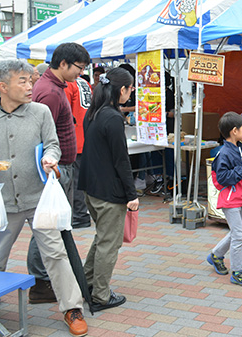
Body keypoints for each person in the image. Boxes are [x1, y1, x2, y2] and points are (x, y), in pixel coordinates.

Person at [0, 59, 88, 336]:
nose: (30, 85)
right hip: (3, 200)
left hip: (38, 197)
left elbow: (53, 144)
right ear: (3, 86)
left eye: (31, 80)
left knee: (55, 253)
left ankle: (71, 307)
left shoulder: (40, 112)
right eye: (23, 81)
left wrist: (50, 157)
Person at [28, 42, 91, 304]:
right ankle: (41, 281)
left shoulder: (54, 87)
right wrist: (52, 166)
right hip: (56, 168)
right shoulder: (52, 93)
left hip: (60, 166)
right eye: (79, 68)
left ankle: (43, 279)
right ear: (63, 63)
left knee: (49, 224)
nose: (81, 73)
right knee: (47, 226)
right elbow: (44, 136)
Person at [78, 67, 139, 312]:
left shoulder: (93, 112)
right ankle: (100, 295)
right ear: (121, 90)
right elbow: (121, 160)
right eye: (130, 87)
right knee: (109, 244)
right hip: (108, 191)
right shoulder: (113, 117)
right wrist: (132, 194)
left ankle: (86, 283)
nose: (132, 91)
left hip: (91, 187)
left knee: (102, 239)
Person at [207, 111, 242, 288]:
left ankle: (216, 255)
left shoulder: (239, 148)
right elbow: (223, 177)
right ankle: (238, 272)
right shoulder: (224, 153)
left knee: (236, 232)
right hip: (231, 199)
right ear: (234, 131)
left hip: (240, 197)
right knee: (239, 234)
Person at [65, 75, 93, 228]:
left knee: (75, 181)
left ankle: (79, 215)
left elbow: (65, 111)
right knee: (81, 179)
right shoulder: (84, 82)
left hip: (74, 138)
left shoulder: (69, 84)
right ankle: (83, 213)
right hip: (86, 136)